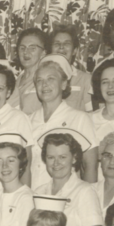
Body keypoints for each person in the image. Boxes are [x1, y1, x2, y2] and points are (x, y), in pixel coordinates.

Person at [35, 132, 103, 226]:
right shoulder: (39, 192)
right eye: (51, 157)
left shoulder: (84, 191)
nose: (56, 163)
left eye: (62, 157)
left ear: (74, 158)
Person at [29, 55, 99, 189]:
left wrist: (89, 198)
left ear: (64, 84)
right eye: (39, 80)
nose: (44, 85)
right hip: (34, 196)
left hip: (68, 198)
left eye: (51, 79)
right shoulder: (29, 120)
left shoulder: (79, 119)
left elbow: (90, 166)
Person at [48, 25, 92, 112]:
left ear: (74, 51)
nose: (61, 47)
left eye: (66, 44)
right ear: (50, 49)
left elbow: (91, 113)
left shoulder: (86, 79)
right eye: (57, 43)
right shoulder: (42, 78)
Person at [15, 28, 49, 115]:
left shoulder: (46, 81)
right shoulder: (15, 80)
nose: (26, 52)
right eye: (22, 48)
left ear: (43, 53)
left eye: (32, 48)